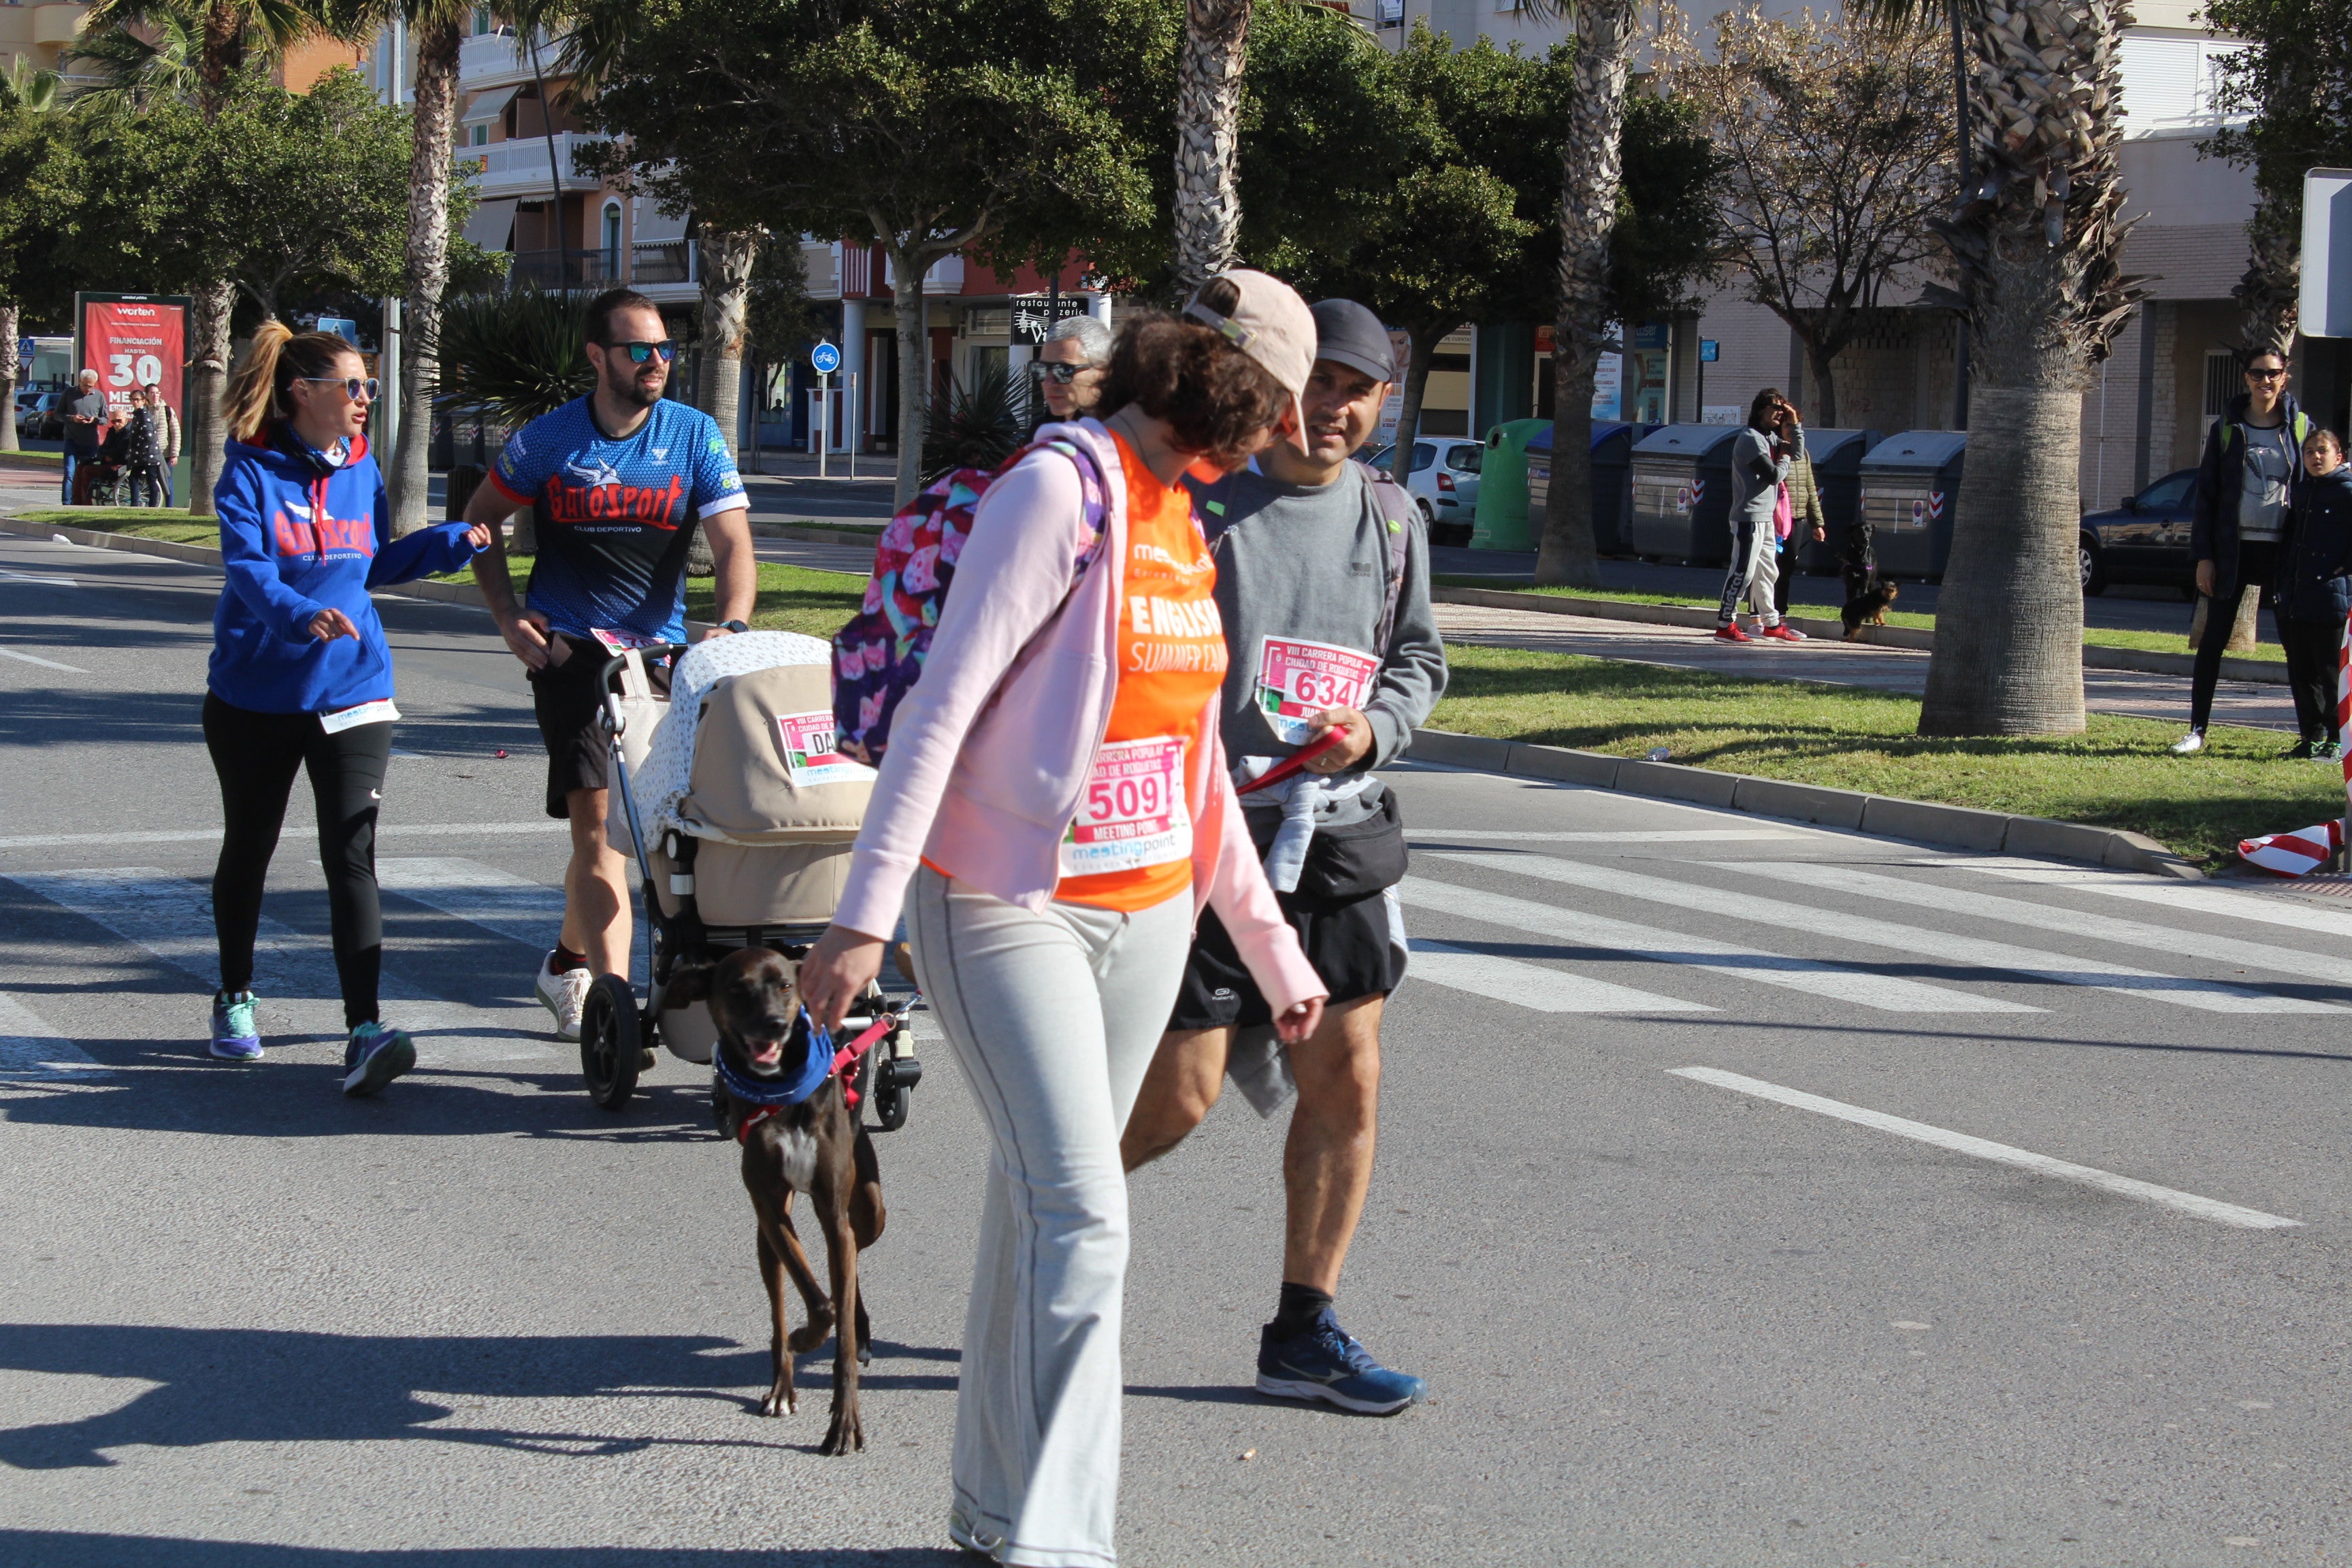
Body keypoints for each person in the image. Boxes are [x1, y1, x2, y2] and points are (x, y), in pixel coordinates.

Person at [797, 270, 1329, 1568]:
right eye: (1283, 407)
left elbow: (1195, 765)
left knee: (1033, 1209)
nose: (1292, 435)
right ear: (1233, 388)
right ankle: (1064, 1545)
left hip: (1145, 912)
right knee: (1087, 1217)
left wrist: (1271, 948)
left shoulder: (1185, 520)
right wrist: (864, 916)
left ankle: (992, 1514)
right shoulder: (1060, 489)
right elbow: (939, 707)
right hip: (1005, 905)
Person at [1120, 297, 1446, 1416]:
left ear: (1380, 399)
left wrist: (1372, 727)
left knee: (1346, 1079)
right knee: (1182, 1092)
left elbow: (1416, 663)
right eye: (1316, 387)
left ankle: (1304, 1326)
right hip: (1209, 841)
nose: (1333, 411)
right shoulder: (1205, 502)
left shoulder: (1394, 522)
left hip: (1340, 834)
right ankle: (1052, 1221)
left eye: (1358, 390)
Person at [203, 323, 489, 1089]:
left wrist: (449, 544)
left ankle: (363, 1030)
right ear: (305, 393)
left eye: (371, 387)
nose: (367, 400)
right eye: (355, 387)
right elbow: (249, 571)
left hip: (356, 689)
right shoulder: (250, 475)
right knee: (251, 847)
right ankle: (234, 997)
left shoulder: (361, 470)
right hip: (257, 695)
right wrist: (298, 615)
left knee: (352, 854)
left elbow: (376, 563)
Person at [464, 287, 755, 1038]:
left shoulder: (693, 435)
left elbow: (732, 544)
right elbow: (478, 520)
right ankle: (616, 1004)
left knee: (661, 830)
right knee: (598, 834)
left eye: (664, 349)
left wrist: (731, 624)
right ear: (598, 356)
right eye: (638, 349)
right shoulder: (551, 441)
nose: (656, 362)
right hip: (571, 653)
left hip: (661, 656)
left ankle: (566, 960)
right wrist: (505, 615)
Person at [2176, 348, 2310, 755]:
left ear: (2285, 376)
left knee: (2297, 644)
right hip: (2232, 551)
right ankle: (2197, 730)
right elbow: (2208, 495)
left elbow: (2315, 484)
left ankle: (2312, 737)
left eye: (2272, 373)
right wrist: (2204, 557)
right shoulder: (2228, 428)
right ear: (2246, 378)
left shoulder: (2300, 428)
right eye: (2257, 373)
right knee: (2213, 642)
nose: (2264, 381)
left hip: (2283, 553)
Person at [2272, 426, 2352, 760]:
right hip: (2296, 596)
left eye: (2323, 451)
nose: (2316, 457)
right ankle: (2311, 735)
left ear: (2339, 456)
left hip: (2331, 597)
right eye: (2309, 452)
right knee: (2301, 671)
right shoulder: (2303, 492)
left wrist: (2342, 567)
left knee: (2331, 671)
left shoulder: (2346, 491)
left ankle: (2337, 737)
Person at [1716, 389, 1806, 643]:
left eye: (1782, 408)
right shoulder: (1751, 438)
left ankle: (1772, 624)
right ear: (1759, 411)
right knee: (1742, 572)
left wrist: (1794, 423)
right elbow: (1774, 475)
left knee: (1769, 572)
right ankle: (1725, 624)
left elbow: (1797, 453)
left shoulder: (1770, 438)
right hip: (1749, 516)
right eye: (1775, 408)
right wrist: (1785, 455)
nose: (1779, 412)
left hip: (1766, 517)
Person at [1774, 428, 1829, 620]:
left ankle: (1780, 616)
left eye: (1797, 428)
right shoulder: (1773, 449)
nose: (1795, 432)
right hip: (1773, 519)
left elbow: (1810, 489)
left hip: (1796, 518)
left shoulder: (1803, 454)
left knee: (1786, 569)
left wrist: (1817, 523)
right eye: (1790, 426)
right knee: (1768, 570)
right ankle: (1759, 617)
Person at [1032, 312, 1113, 421]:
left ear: (1103, 372)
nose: (1049, 383)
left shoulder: (1129, 432)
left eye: (1064, 370)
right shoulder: (1039, 432)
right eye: (1041, 368)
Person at [61, 368, 105, 505]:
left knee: (89, 474)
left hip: (90, 442)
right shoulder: (69, 393)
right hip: (72, 440)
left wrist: (94, 420)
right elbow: (57, 414)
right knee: (70, 473)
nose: (88, 389)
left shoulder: (99, 396)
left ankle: (86, 502)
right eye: (86, 385)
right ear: (80, 382)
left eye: (91, 386)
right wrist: (72, 418)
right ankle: (66, 504)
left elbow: (105, 419)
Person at [125, 389, 169, 508]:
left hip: (149, 455)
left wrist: (140, 451)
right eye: (133, 399)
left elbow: (149, 436)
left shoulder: (145, 415)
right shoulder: (137, 415)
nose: (135, 402)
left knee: (151, 480)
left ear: (144, 401)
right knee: (134, 478)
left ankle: (152, 506)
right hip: (140, 455)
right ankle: (134, 504)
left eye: (137, 400)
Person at [144, 381, 183, 506]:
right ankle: (153, 507)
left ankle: (169, 507)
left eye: (157, 393)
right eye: (152, 393)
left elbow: (176, 432)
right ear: (147, 395)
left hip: (164, 452)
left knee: (166, 480)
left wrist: (174, 454)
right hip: (148, 453)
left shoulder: (167, 410)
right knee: (151, 481)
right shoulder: (144, 411)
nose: (155, 395)